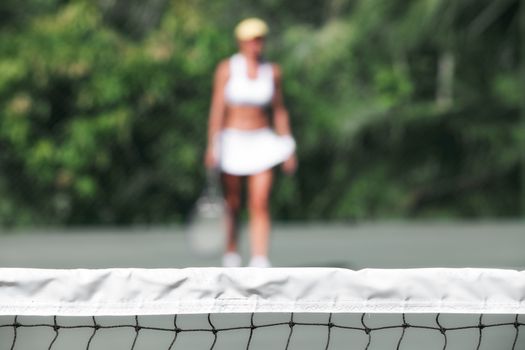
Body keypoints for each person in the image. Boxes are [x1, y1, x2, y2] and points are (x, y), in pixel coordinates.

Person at [205, 18, 297, 268]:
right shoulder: (226, 69)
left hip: (262, 143)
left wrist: (288, 145)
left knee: (260, 202)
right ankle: (232, 253)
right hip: (232, 142)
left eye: (260, 39)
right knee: (232, 203)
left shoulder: (272, 71)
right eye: (251, 40)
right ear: (241, 42)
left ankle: (259, 259)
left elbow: (279, 110)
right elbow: (217, 109)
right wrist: (213, 144)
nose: (257, 45)